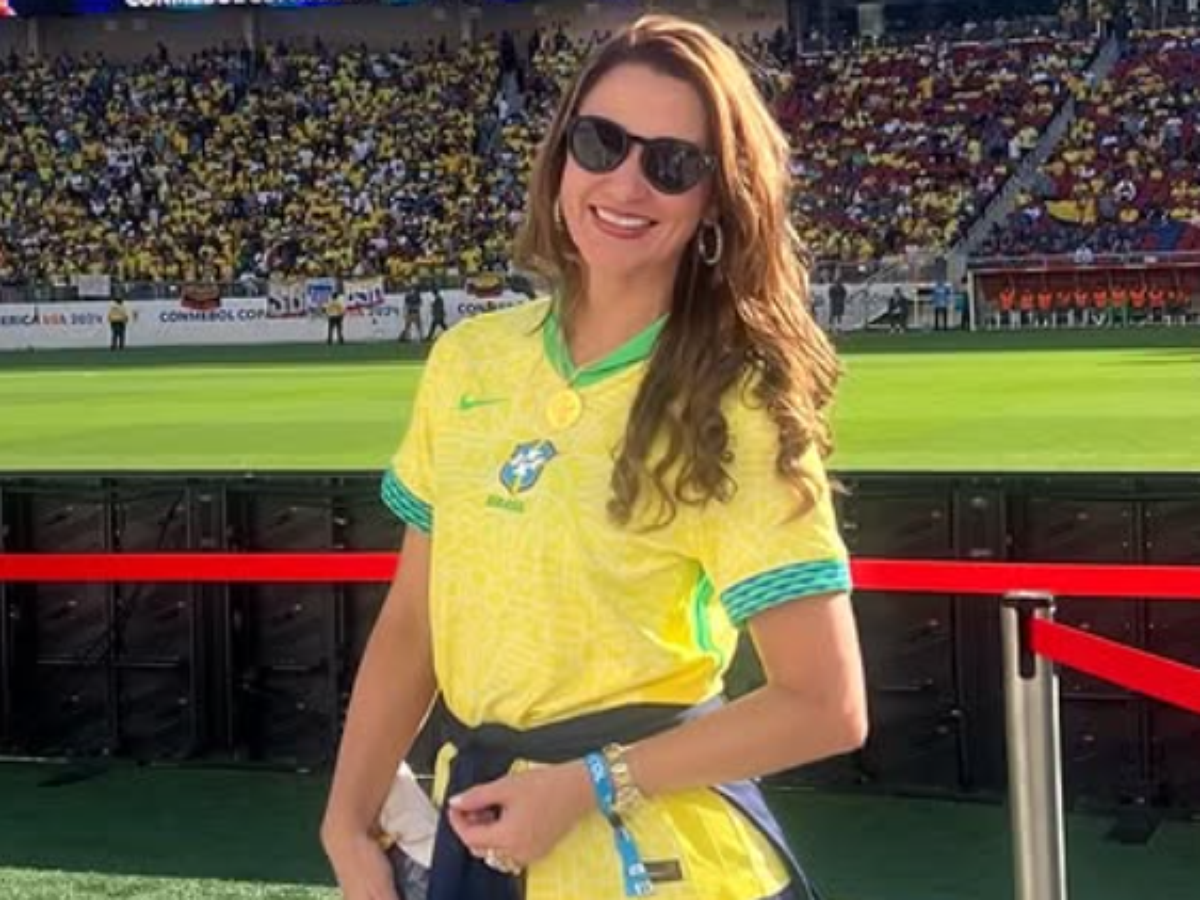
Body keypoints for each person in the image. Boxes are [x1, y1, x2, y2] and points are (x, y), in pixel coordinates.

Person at [322, 16, 866, 900]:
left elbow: (826, 704)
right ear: (561, 154)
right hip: (479, 840)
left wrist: (588, 784)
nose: (625, 182)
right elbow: (414, 621)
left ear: (715, 198)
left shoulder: (736, 401)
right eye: (601, 142)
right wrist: (347, 825)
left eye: (672, 163)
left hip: (662, 863)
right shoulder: (469, 360)